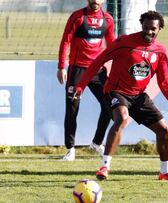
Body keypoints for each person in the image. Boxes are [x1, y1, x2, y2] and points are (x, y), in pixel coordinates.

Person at [74, 11, 168, 181]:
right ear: (141, 26)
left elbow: (165, 83)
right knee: (122, 118)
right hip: (116, 91)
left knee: (164, 130)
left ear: (160, 29)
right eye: (146, 28)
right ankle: (105, 166)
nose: (149, 32)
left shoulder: (160, 51)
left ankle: (165, 172)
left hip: (138, 96)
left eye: (153, 29)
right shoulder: (124, 42)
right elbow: (98, 61)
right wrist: (81, 85)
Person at [57, 0, 115, 161]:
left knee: (110, 106)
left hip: (98, 70)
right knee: (72, 109)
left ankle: (96, 143)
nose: (95, 1)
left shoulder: (108, 19)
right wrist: (62, 66)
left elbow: (112, 45)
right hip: (77, 70)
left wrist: (117, 66)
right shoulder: (77, 17)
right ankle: (70, 149)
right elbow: (65, 41)